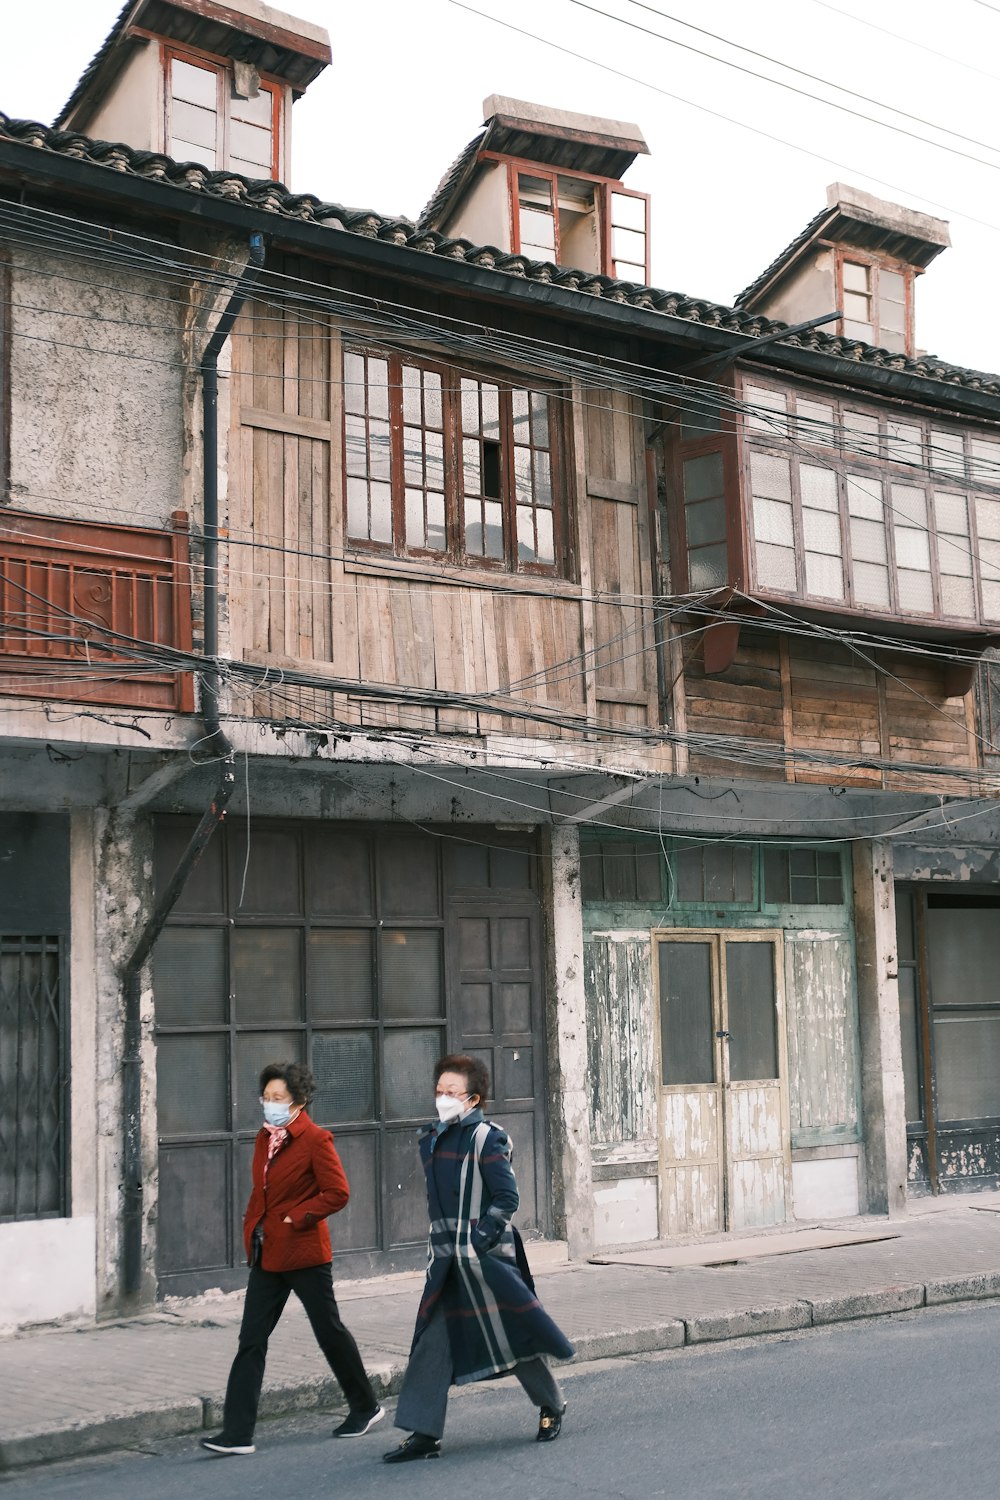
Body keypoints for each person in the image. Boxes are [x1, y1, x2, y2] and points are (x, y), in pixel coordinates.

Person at [383, 1053, 574, 1464]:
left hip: (486, 1259)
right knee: (431, 1342)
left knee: (513, 1338)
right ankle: (424, 1434)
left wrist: (479, 1239)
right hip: (447, 1261)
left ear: (473, 1099)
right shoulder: (434, 1137)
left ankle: (552, 1405)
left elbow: (508, 1198)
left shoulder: (489, 1137)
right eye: (439, 1090)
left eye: (452, 1092)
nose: (443, 1098)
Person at [201, 1061, 383, 1456]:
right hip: (267, 1254)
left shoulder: (316, 1139)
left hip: (304, 1253)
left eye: (278, 1098)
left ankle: (366, 1406)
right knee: (251, 1339)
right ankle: (237, 1434)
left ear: (298, 1102)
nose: (270, 1105)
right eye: (266, 1098)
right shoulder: (264, 1138)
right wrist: (256, 1224)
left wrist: (294, 1217)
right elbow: (263, 1190)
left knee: (328, 1331)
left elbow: (338, 1192)